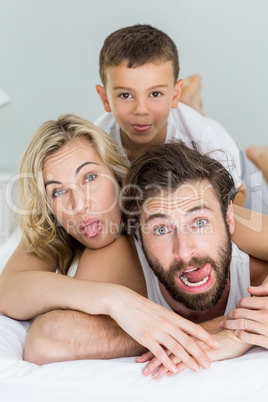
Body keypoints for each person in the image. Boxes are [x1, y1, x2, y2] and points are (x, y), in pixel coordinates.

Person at [0, 114, 221, 373]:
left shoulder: (177, 202)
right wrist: (112, 299)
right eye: (58, 191)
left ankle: (194, 105)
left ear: (117, 175)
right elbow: (9, 290)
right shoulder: (57, 229)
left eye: (90, 177)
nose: (79, 204)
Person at [121, 141, 268, 378]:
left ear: (229, 219)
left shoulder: (257, 277)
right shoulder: (125, 267)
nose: (185, 251)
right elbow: (48, 338)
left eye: (200, 223)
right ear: (139, 236)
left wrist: (235, 336)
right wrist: (233, 327)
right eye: (161, 230)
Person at [94, 24, 268, 214]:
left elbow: (238, 201)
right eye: (126, 95)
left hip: (237, 171)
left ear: (173, 94)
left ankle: (261, 158)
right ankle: (187, 101)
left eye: (155, 93)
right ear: (105, 99)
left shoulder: (207, 138)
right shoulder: (96, 143)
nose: (141, 110)